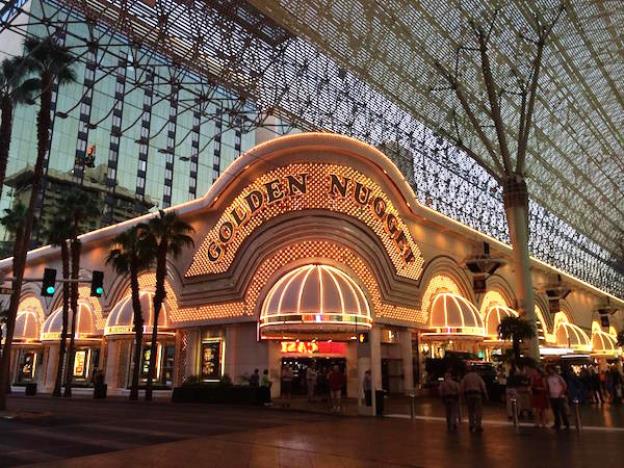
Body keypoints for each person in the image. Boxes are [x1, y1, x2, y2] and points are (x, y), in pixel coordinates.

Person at [460, 366, 488, 433]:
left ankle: (471, 425)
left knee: (470, 411)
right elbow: (483, 386)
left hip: (469, 395)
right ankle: (478, 425)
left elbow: (462, 387)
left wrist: (462, 396)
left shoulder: (466, 377)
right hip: (477, 394)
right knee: (478, 411)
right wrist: (486, 395)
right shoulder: (478, 377)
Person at [546, 366, 570, 431]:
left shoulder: (558, 377)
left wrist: (561, 393)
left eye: (551, 370)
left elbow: (564, 385)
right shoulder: (548, 378)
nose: (550, 371)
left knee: (562, 411)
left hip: (559, 396)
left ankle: (566, 424)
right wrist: (549, 394)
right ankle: (557, 423)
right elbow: (548, 386)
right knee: (555, 411)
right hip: (552, 396)